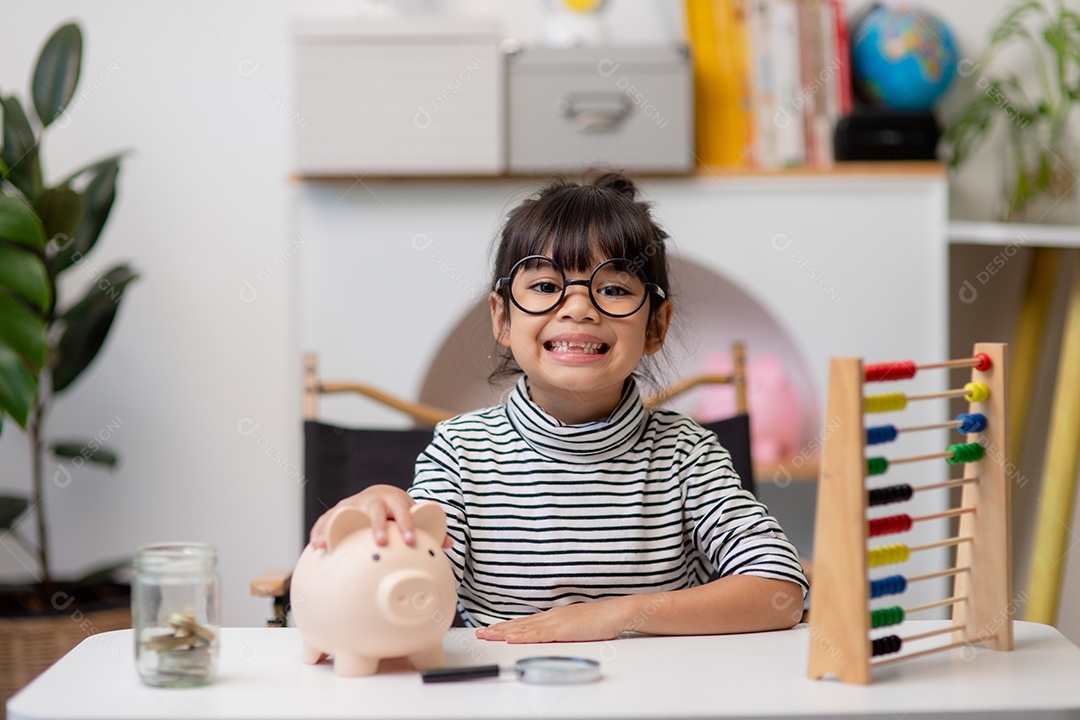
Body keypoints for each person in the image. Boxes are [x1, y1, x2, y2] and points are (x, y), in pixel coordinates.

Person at [310, 170, 808, 643]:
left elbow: (781, 590)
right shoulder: (463, 452)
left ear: (656, 325)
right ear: (502, 316)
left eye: (613, 289)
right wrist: (378, 523)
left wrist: (616, 615)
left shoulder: (688, 454)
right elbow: (415, 586)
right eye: (545, 287)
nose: (578, 308)